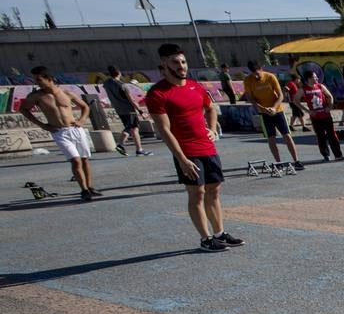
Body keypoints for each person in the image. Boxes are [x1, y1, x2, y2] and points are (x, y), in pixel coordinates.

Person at [145, 43, 243, 253]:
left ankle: (219, 233)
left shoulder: (194, 86)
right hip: (187, 151)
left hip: (207, 146)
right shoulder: (157, 94)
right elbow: (164, 130)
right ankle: (205, 238)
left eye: (183, 61)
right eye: (175, 62)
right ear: (164, 63)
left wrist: (212, 129)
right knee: (196, 193)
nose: (181, 66)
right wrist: (181, 158)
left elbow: (211, 109)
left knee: (214, 190)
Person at [21, 67, 99, 200]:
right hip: (59, 132)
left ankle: (90, 187)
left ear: (49, 78)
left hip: (75, 129)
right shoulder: (36, 96)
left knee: (84, 159)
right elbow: (23, 109)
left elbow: (85, 106)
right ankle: (84, 190)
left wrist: (81, 120)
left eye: (39, 79)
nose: (37, 83)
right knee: (75, 160)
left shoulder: (66, 93)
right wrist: (42, 125)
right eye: (35, 80)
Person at [243, 60, 305, 171]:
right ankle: (278, 162)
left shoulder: (270, 77)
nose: (256, 75)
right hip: (263, 112)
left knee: (286, 135)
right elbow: (250, 98)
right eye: (253, 73)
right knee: (271, 138)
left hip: (277, 110)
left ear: (261, 69)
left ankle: (296, 160)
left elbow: (280, 95)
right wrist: (263, 109)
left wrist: (274, 108)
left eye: (258, 73)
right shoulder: (248, 80)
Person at [103, 65, 153, 157]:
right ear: (118, 73)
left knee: (133, 128)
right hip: (128, 109)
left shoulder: (106, 84)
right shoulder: (123, 85)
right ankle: (122, 145)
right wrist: (140, 111)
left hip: (119, 109)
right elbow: (131, 100)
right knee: (131, 127)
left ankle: (138, 149)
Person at [298, 70, 344, 162]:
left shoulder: (320, 86)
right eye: (314, 77)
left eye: (316, 77)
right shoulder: (303, 89)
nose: (317, 79)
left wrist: (329, 106)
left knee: (332, 135)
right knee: (320, 136)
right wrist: (308, 111)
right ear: (309, 79)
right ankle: (325, 154)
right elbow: (295, 100)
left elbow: (330, 96)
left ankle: (338, 155)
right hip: (315, 117)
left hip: (326, 115)